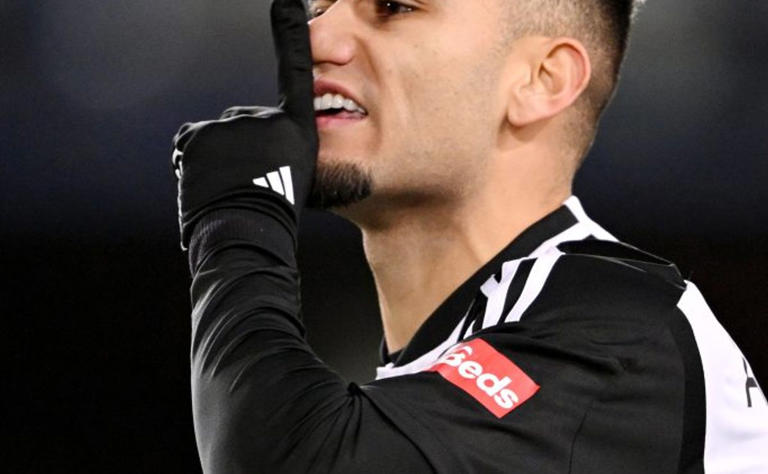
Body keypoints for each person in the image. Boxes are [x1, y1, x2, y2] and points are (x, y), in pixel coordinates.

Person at [171, 0, 768, 472]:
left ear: (541, 79)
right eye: (320, 7)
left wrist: (237, 216)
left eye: (394, 7)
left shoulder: (620, 331)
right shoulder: (459, 366)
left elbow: (288, 460)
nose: (317, 41)